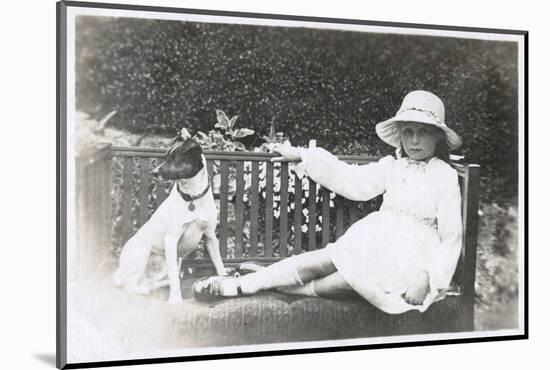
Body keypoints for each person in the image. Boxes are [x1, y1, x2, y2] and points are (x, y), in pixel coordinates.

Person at [193, 90, 463, 314]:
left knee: (344, 281)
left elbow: (451, 237)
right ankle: (242, 285)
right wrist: (303, 156)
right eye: (408, 131)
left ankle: (268, 281)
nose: (414, 140)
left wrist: (428, 276)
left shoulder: (445, 176)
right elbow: (351, 179)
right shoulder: (392, 167)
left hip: (412, 258)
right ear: (400, 135)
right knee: (325, 260)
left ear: (438, 137)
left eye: (423, 132)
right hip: (377, 240)